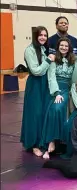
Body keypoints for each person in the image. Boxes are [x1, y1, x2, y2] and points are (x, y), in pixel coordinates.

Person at [20, 26, 55, 157]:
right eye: (40, 35)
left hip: (44, 84)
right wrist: (48, 60)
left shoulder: (42, 49)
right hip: (35, 84)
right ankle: (33, 144)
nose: (43, 37)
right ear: (35, 36)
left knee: (43, 113)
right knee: (34, 114)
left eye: (45, 35)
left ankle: (42, 141)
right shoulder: (29, 50)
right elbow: (36, 71)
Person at [41, 37, 76, 159]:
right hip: (55, 89)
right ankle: (51, 141)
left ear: (69, 47)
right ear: (58, 46)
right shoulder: (54, 59)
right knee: (55, 109)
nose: (64, 48)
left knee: (60, 109)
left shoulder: (73, 60)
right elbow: (51, 77)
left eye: (66, 46)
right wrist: (56, 93)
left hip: (68, 89)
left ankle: (61, 141)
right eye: (62, 45)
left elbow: (75, 77)